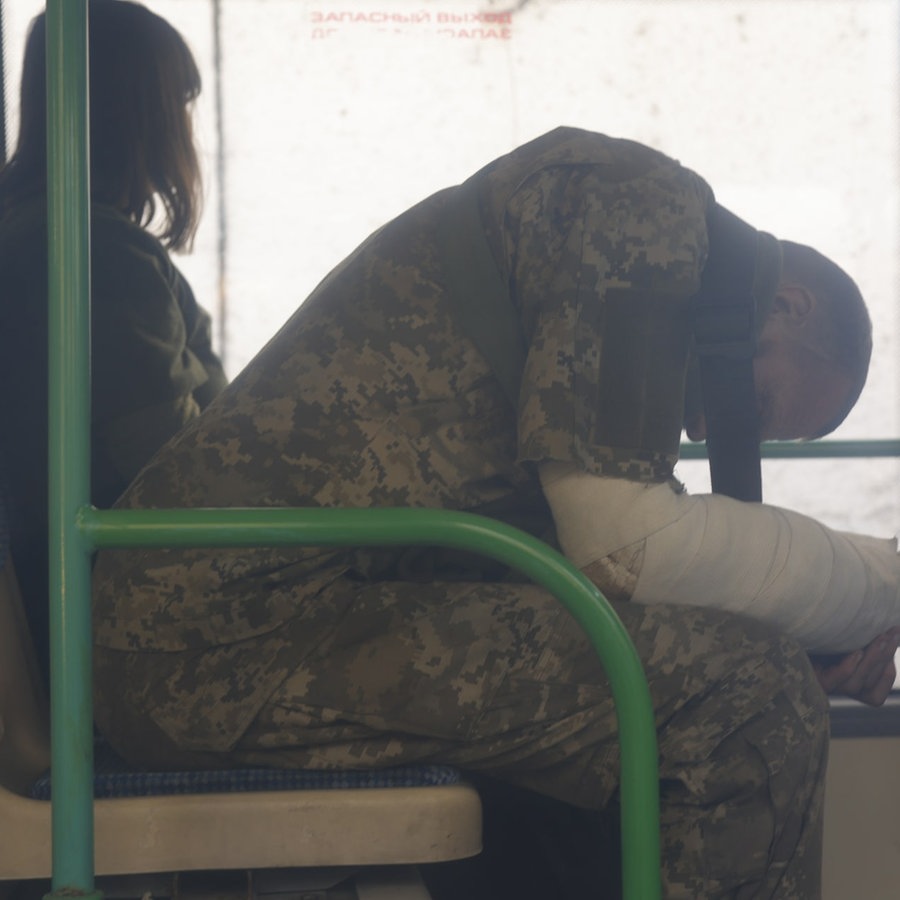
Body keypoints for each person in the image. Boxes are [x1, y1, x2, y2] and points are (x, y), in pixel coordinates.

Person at [91, 127, 900, 899]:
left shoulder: (634, 249)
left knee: (741, 670)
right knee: (750, 704)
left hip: (237, 620)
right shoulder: (640, 213)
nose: (703, 431)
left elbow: (618, 569)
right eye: (753, 405)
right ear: (786, 303)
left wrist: (805, 629)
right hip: (215, 636)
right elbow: (631, 550)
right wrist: (879, 586)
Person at [0, 0, 227, 682]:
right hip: (123, 623)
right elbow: (174, 479)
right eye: (178, 102)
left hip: (83, 608)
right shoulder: (89, 250)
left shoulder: (36, 229)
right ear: (137, 112)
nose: (187, 129)